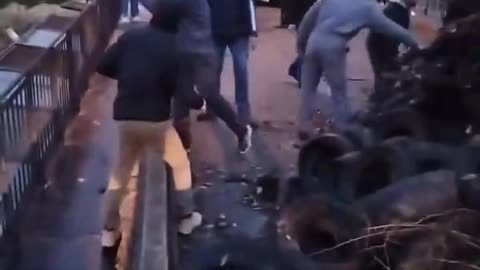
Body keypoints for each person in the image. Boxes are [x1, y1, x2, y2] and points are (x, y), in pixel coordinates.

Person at [97, 3, 205, 248]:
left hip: (125, 117)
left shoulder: (130, 37)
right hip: (156, 121)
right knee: (179, 163)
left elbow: (103, 65)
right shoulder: (177, 49)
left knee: (120, 174)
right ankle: (187, 217)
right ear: (178, 23)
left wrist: (127, 77)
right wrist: (203, 103)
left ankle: (108, 231)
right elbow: (186, 94)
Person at [296, 0, 419, 139]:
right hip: (334, 45)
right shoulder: (369, 8)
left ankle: (304, 126)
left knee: (308, 88)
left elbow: (308, 20)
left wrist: (301, 45)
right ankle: (343, 129)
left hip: (314, 40)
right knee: (339, 92)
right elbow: (392, 29)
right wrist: (413, 43)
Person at [170, 0, 253, 154]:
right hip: (182, 50)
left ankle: (241, 130)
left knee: (208, 92)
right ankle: (182, 144)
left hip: (201, 51)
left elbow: (160, 7)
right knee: (180, 95)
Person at [202, 0, 258, 127]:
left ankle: (243, 112)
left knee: (241, 69)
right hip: (215, 32)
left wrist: (253, 32)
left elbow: (249, 4)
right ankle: (212, 108)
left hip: (239, 33)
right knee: (213, 71)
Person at [367, 0, 417, 106]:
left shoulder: (395, 9)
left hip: (376, 44)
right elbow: (390, 37)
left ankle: (377, 103)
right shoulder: (398, 12)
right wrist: (398, 57)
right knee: (388, 76)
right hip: (381, 47)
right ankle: (378, 106)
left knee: (383, 76)